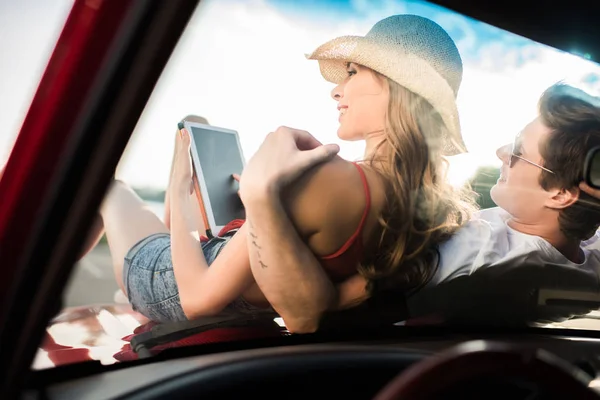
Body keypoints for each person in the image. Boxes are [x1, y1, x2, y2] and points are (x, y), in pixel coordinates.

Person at [82, 14, 477, 330]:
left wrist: (178, 185)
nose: (337, 91)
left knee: (108, 189)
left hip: (165, 279)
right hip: (224, 272)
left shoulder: (326, 179)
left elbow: (196, 297)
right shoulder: (417, 209)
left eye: (354, 72)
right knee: (195, 138)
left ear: (396, 86)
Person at [246, 83, 600, 330]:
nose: (501, 153)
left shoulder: (476, 258)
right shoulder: (586, 257)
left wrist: (260, 195)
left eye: (519, 153)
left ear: (559, 195)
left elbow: (309, 315)